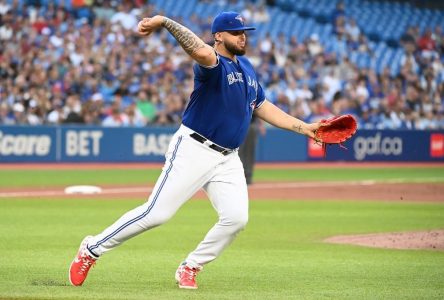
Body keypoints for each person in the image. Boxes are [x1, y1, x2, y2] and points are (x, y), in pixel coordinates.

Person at [69, 11, 322, 290]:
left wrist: (305, 128)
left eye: (244, 31)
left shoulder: (247, 67)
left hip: (228, 158)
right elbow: (199, 51)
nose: (243, 36)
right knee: (157, 213)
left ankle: (191, 265)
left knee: (236, 219)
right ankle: (92, 248)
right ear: (218, 36)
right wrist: (165, 21)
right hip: (194, 148)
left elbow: (263, 107)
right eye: (236, 32)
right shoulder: (213, 65)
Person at [238, 114, 265, 185]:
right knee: (239, 153)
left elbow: (259, 108)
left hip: (251, 125)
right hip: (239, 125)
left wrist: (261, 125)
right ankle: (239, 177)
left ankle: (248, 177)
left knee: (249, 152)